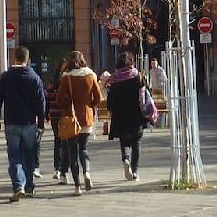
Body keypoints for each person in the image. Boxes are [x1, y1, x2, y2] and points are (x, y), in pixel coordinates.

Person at [0, 46, 46, 202]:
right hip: (29, 122)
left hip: (12, 122)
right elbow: (40, 102)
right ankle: (29, 186)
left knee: (14, 155)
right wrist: (41, 122)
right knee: (29, 154)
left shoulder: (6, 77)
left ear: (14, 58)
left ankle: (18, 186)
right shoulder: (34, 77)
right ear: (27, 59)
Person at [57, 50, 102, 196]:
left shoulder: (66, 78)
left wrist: (67, 107)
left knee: (72, 153)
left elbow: (58, 100)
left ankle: (77, 186)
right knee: (84, 149)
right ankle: (87, 173)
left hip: (71, 119)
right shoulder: (90, 76)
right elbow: (98, 97)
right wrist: (90, 106)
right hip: (86, 119)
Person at [106, 51, 151, 182]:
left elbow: (111, 101)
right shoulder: (137, 76)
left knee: (124, 141)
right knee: (136, 142)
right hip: (136, 114)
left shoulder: (114, 78)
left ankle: (126, 158)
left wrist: (111, 110)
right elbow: (145, 93)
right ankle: (135, 171)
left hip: (120, 116)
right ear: (131, 62)